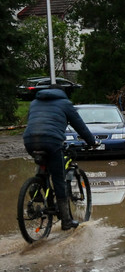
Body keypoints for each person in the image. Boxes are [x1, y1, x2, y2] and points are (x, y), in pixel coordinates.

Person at [22, 87, 99, 230]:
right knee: (59, 179)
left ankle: (36, 185)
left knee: (44, 163)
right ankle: (66, 220)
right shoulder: (65, 104)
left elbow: (33, 122)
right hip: (51, 140)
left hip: (29, 140)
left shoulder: (34, 103)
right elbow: (80, 126)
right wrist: (92, 142)